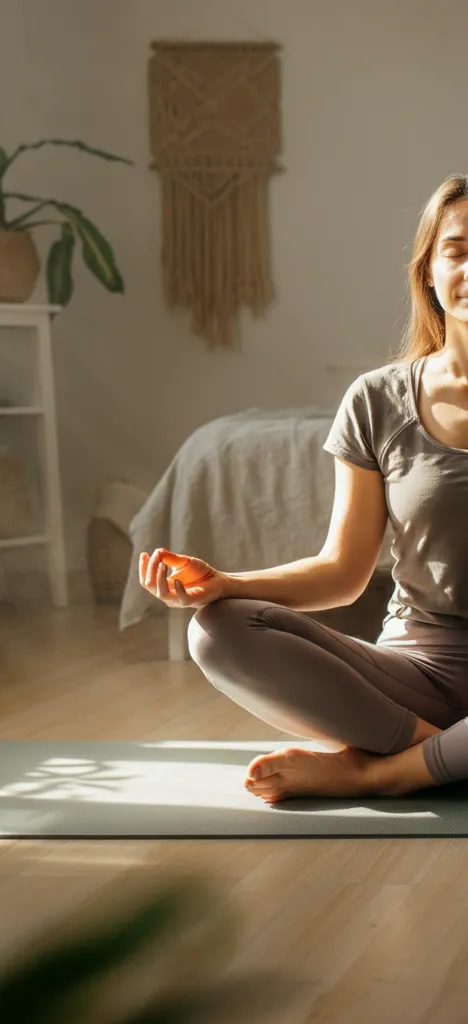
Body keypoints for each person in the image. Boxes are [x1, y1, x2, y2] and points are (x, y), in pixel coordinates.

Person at [138, 173, 468, 805]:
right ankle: (436, 752)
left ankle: (384, 770)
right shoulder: (378, 400)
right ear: (428, 269)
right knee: (217, 629)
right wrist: (228, 585)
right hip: (420, 672)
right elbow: (344, 573)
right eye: (458, 249)